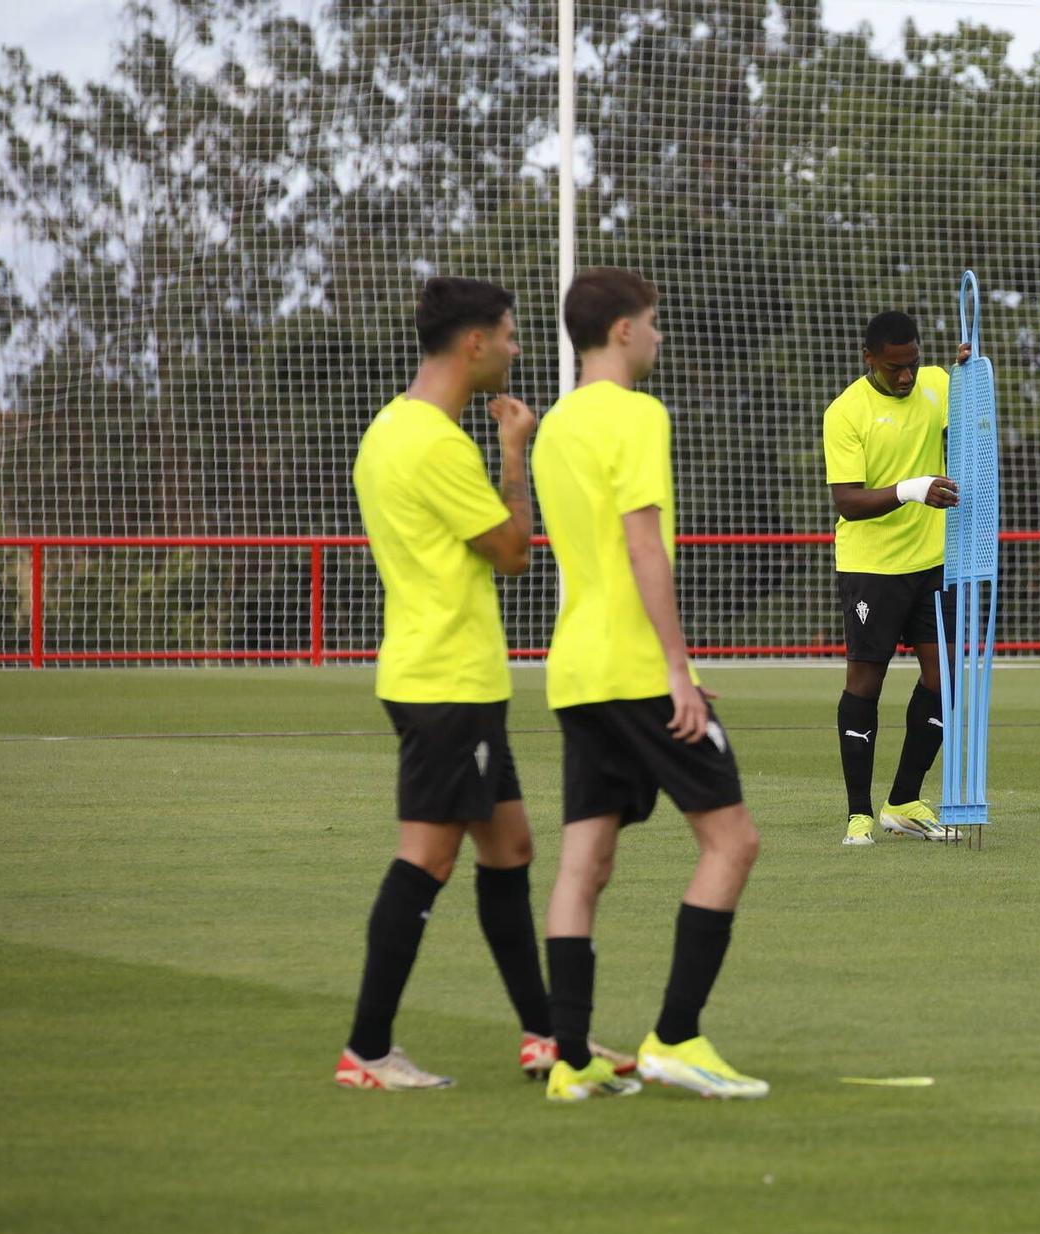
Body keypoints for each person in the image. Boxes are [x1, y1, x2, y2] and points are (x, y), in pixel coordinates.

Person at [337, 277, 630, 1090]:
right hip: (446, 682)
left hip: (438, 672)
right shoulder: (431, 442)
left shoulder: (392, 427)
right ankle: (366, 1050)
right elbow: (510, 550)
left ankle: (547, 1037)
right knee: (425, 858)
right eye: (508, 333)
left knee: (511, 849)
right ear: (473, 344)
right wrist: (514, 451)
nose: (517, 346)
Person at [532, 266, 766, 1104]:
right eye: (654, 321)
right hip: (636, 668)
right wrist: (679, 669)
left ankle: (570, 1056)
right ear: (623, 330)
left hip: (573, 672)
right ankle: (675, 1035)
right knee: (733, 842)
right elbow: (642, 548)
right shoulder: (636, 414)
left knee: (582, 864)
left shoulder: (556, 426)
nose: (660, 335)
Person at [824, 311, 971, 847]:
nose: (906, 377)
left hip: (931, 563)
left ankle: (904, 801)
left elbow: (969, 415)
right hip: (871, 568)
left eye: (911, 364)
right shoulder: (845, 413)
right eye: (894, 369)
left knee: (945, 679)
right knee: (866, 683)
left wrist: (969, 373)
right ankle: (858, 814)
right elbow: (847, 501)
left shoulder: (935, 382)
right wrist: (912, 488)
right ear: (869, 360)